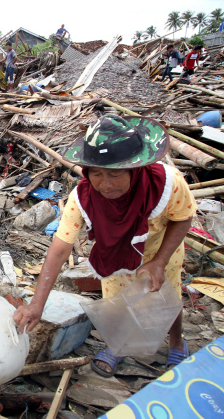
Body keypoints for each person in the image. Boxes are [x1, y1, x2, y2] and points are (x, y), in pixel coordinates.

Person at [13, 114, 196, 377]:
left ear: (135, 169)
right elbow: (60, 248)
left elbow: (183, 217)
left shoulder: (166, 183)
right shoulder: (83, 199)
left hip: (160, 250)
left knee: (168, 298)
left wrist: (159, 262)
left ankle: (177, 341)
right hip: (115, 256)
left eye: (115, 174)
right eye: (96, 174)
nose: (105, 184)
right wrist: (37, 305)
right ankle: (117, 344)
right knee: (116, 303)